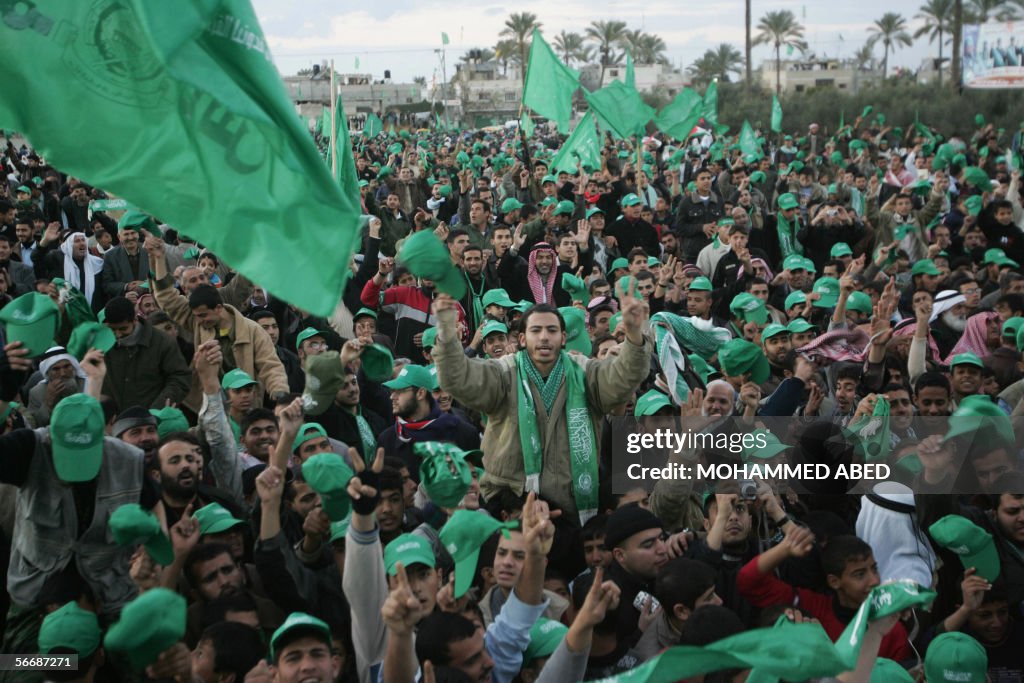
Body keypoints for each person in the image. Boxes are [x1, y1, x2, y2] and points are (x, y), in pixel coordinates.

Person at [432, 286, 650, 525]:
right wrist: (446, 336)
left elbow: (623, 379)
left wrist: (635, 337)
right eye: (536, 330)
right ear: (523, 338)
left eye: (552, 330)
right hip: (512, 503)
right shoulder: (504, 371)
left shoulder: (585, 371)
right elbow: (459, 379)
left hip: (573, 507)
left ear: (564, 338)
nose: (544, 337)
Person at [101, 296, 191, 410]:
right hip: (115, 420)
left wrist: (158, 410)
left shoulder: (162, 342)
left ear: (135, 320)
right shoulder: (103, 344)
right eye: (113, 329)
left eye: (123, 329)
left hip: (153, 419)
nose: (117, 335)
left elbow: (180, 378)